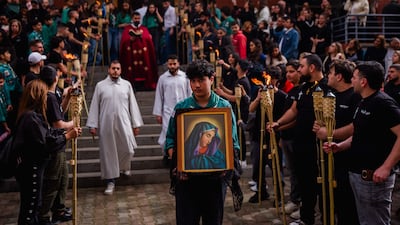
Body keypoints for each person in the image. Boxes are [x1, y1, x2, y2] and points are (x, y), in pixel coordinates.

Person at [164, 59, 240, 225]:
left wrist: (226, 164)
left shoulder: (224, 107)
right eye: (193, 81)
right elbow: (170, 139)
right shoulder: (181, 108)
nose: (196, 85)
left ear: (211, 79)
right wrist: (178, 159)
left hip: (214, 180)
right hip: (187, 180)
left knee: (213, 220)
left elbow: (233, 142)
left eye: (201, 80)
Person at [324, 61, 400, 225]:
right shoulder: (364, 101)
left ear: (363, 81)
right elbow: (361, 133)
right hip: (358, 174)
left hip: (373, 178)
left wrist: (386, 167)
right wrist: (340, 145)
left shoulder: (383, 103)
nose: (351, 80)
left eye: (354, 77)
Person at [269, 54, 329, 225]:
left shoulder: (326, 88)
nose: (299, 70)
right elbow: (294, 111)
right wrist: (278, 123)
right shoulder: (304, 88)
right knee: (304, 183)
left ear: (311, 68)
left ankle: (324, 218)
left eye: (301, 67)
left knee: (318, 185)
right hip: (300, 143)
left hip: (316, 147)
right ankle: (306, 218)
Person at [14, 79, 80, 225]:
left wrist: (64, 134)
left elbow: (49, 134)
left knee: (35, 203)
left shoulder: (34, 116)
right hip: (30, 168)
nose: (46, 99)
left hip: (35, 167)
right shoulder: (30, 117)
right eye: (44, 95)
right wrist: (67, 136)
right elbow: (44, 144)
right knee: (30, 207)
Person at [313, 59, 361, 225]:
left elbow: (355, 127)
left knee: (346, 204)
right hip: (326, 157)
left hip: (346, 159)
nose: (327, 77)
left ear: (339, 76)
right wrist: (319, 125)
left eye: (331, 73)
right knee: (326, 199)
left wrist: (329, 133)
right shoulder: (329, 94)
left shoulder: (355, 96)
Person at [86, 60, 143, 195]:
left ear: (121, 70)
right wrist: (93, 124)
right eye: (113, 68)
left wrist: (136, 124)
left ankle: (124, 166)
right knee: (108, 152)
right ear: (109, 70)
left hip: (124, 121)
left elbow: (133, 105)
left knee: (129, 149)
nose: (115, 71)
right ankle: (110, 181)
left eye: (118, 68)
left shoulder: (126, 85)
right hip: (106, 123)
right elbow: (95, 106)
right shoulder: (101, 86)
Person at [38, 65, 74, 225]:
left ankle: (58, 209)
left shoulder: (53, 96)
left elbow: (59, 111)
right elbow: (58, 124)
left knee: (63, 178)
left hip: (59, 143)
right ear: (54, 79)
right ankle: (44, 215)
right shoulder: (49, 96)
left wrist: (67, 98)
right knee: (53, 181)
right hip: (55, 143)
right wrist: (73, 124)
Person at [152, 55, 191, 156]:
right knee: (167, 133)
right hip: (167, 111)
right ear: (167, 65)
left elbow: (189, 93)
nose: (172, 66)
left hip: (183, 109)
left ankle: (182, 155)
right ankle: (167, 155)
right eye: (170, 64)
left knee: (183, 132)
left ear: (178, 64)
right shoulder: (163, 78)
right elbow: (159, 96)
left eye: (174, 64)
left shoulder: (185, 77)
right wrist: (158, 113)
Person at [119, 12, 157, 90]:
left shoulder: (144, 28)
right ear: (132, 19)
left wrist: (142, 36)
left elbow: (148, 40)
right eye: (135, 18)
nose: (137, 20)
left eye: (138, 18)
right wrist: (130, 39)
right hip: (131, 56)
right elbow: (124, 41)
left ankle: (146, 85)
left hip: (143, 56)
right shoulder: (127, 29)